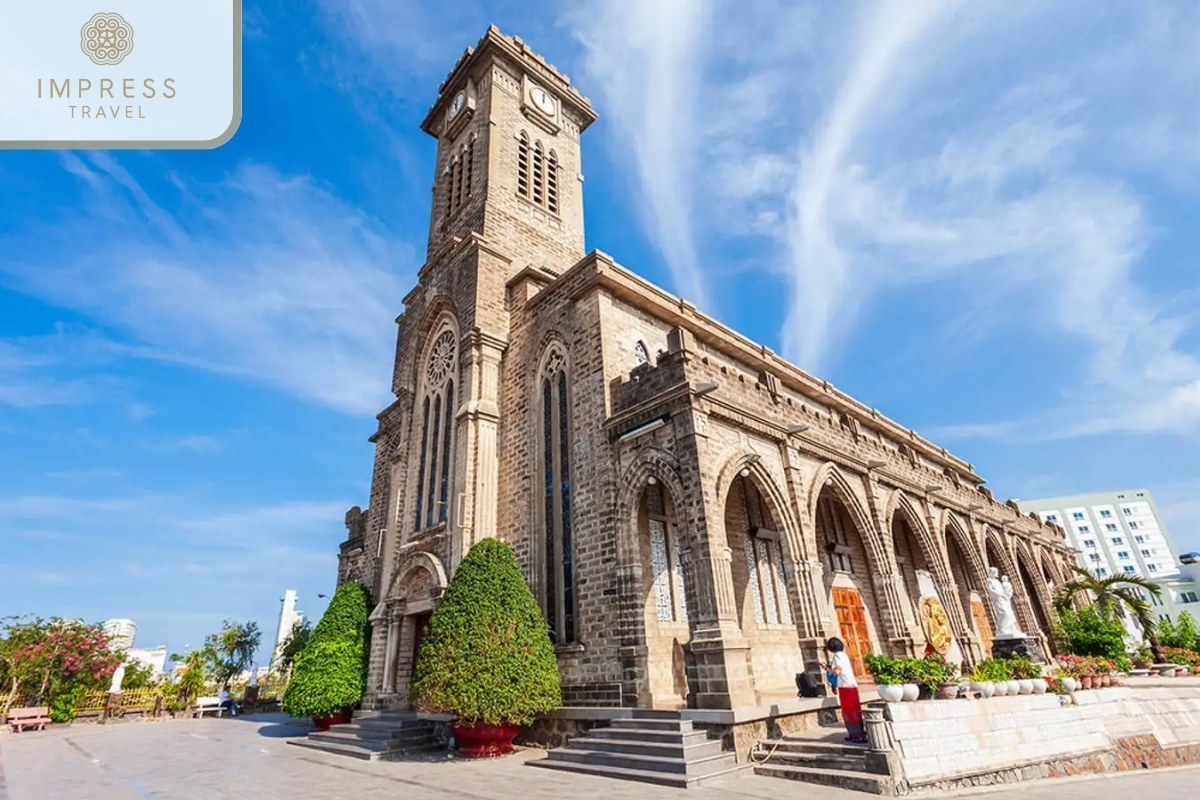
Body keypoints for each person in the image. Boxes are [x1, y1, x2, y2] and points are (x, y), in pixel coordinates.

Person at [820, 637, 867, 744]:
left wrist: (827, 669)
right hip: (851, 685)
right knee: (855, 710)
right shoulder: (844, 655)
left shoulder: (837, 656)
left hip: (845, 687)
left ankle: (857, 735)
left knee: (849, 711)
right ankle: (858, 733)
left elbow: (837, 671)